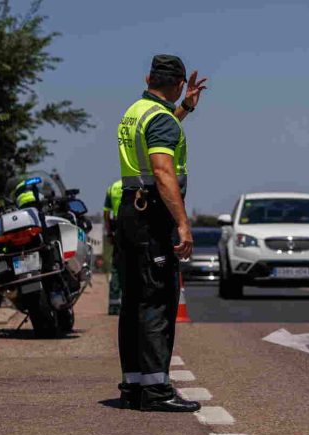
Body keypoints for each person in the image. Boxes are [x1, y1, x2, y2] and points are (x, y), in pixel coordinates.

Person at [116, 54, 207, 412]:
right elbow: (163, 171)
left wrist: (185, 108)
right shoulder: (160, 120)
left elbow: (157, 133)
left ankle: (135, 387)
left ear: (148, 77)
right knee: (158, 301)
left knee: (135, 302)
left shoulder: (136, 111)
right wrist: (183, 223)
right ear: (180, 82)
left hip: (130, 212)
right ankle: (156, 392)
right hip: (153, 217)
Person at [103, 179, 123, 315]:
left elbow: (106, 213)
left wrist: (109, 233)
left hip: (117, 229)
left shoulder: (112, 187)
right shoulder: (138, 184)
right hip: (134, 227)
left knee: (116, 267)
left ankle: (113, 306)